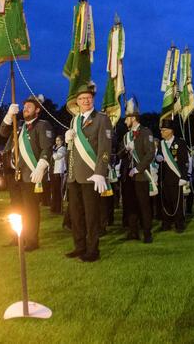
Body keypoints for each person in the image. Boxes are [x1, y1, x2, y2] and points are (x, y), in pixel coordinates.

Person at [64, 83, 112, 262]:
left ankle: (93, 250)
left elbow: (105, 148)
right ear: (77, 101)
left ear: (93, 100)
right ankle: (79, 246)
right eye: (82, 98)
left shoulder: (101, 119)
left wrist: (100, 171)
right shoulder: (74, 121)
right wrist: (68, 140)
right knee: (76, 214)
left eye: (88, 98)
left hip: (91, 175)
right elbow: (74, 150)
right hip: (74, 175)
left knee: (92, 215)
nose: (85, 101)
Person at [0, 95, 53, 251]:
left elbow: (46, 148)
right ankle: (17, 236)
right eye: (24, 107)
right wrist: (9, 115)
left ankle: (31, 241)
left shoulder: (42, 125)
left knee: (30, 209)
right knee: (16, 208)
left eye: (29, 107)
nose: (25, 109)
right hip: (15, 173)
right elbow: (2, 132)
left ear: (37, 110)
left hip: (31, 173)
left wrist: (41, 165)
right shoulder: (19, 125)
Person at [118, 97, 156, 242]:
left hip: (140, 176)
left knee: (144, 205)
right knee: (130, 205)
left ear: (133, 118)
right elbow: (119, 154)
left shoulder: (146, 132)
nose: (124, 121)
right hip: (128, 176)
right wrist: (126, 148)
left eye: (126, 118)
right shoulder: (126, 136)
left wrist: (138, 169)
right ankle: (133, 231)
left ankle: (147, 233)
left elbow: (150, 153)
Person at [156, 119, 190, 232]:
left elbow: (185, 161)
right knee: (165, 202)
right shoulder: (161, 144)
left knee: (177, 203)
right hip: (164, 177)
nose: (161, 132)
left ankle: (179, 225)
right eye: (161, 130)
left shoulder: (180, 143)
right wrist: (158, 158)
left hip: (176, 177)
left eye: (164, 130)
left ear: (170, 131)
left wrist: (184, 177)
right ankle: (166, 224)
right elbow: (158, 157)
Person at [50, 135, 66, 215]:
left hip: (59, 172)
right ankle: (54, 208)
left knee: (59, 191)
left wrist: (53, 151)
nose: (57, 142)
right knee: (54, 191)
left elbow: (56, 157)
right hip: (54, 171)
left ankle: (59, 209)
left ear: (62, 141)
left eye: (59, 140)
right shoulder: (56, 149)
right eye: (56, 140)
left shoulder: (62, 149)